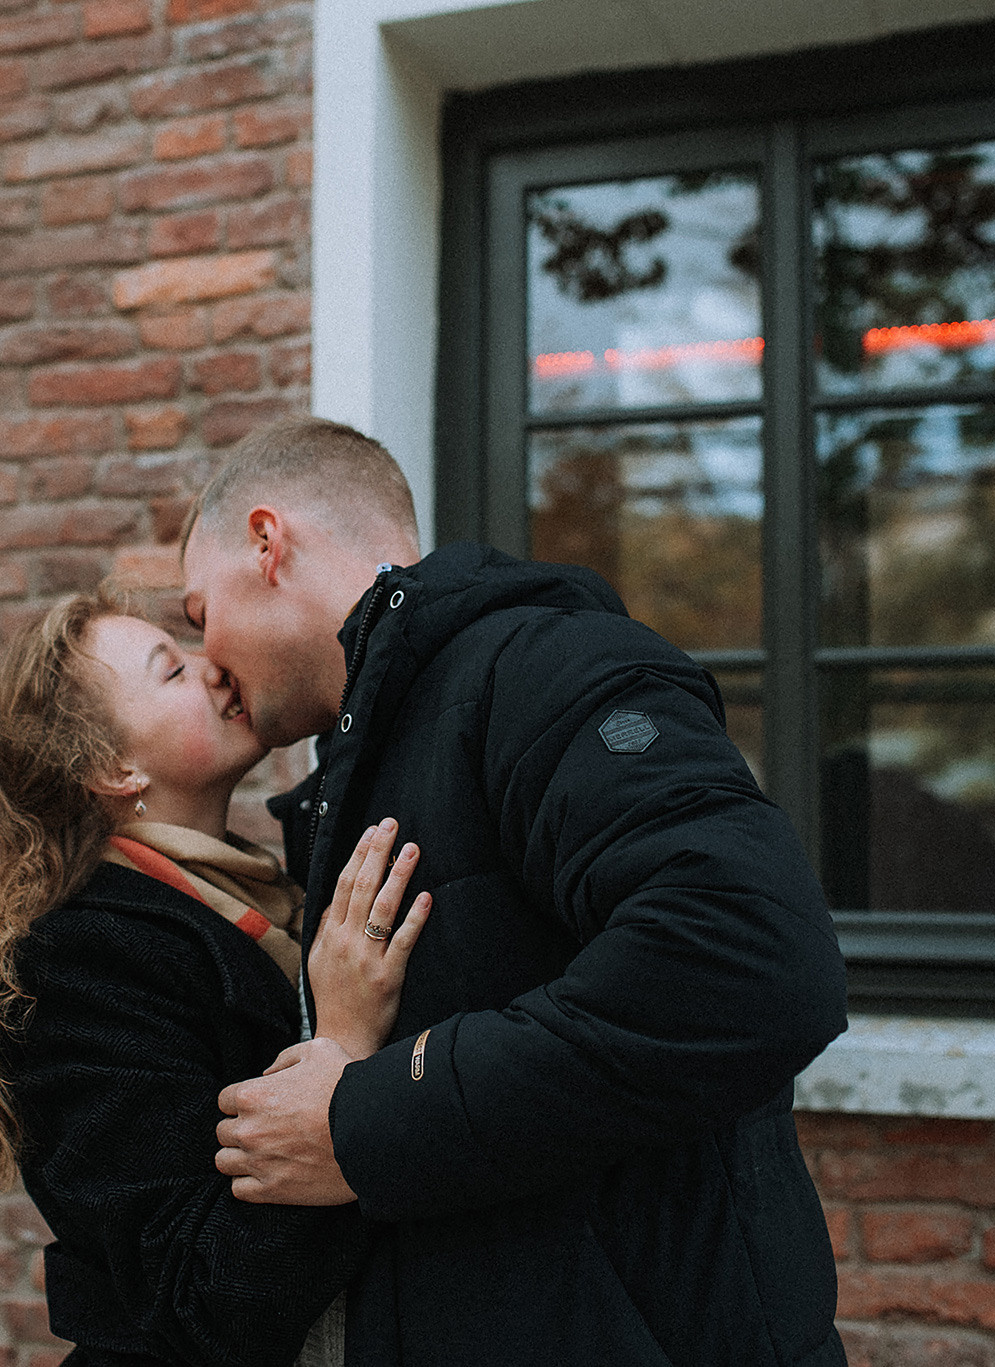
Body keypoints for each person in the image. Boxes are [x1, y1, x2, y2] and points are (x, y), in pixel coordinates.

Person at [182, 417, 852, 1366]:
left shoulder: (546, 668)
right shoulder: (369, 755)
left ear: (266, 541)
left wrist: (364, 1121)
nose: (206, 661)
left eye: (197, 612)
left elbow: (751, 957)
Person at [0, 586, 432, 1367]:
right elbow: (203, 1299)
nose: (216, 669)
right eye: (172, 672)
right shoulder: (74, 960)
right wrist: (340, 1048)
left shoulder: (261, 890)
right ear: (111, 767)